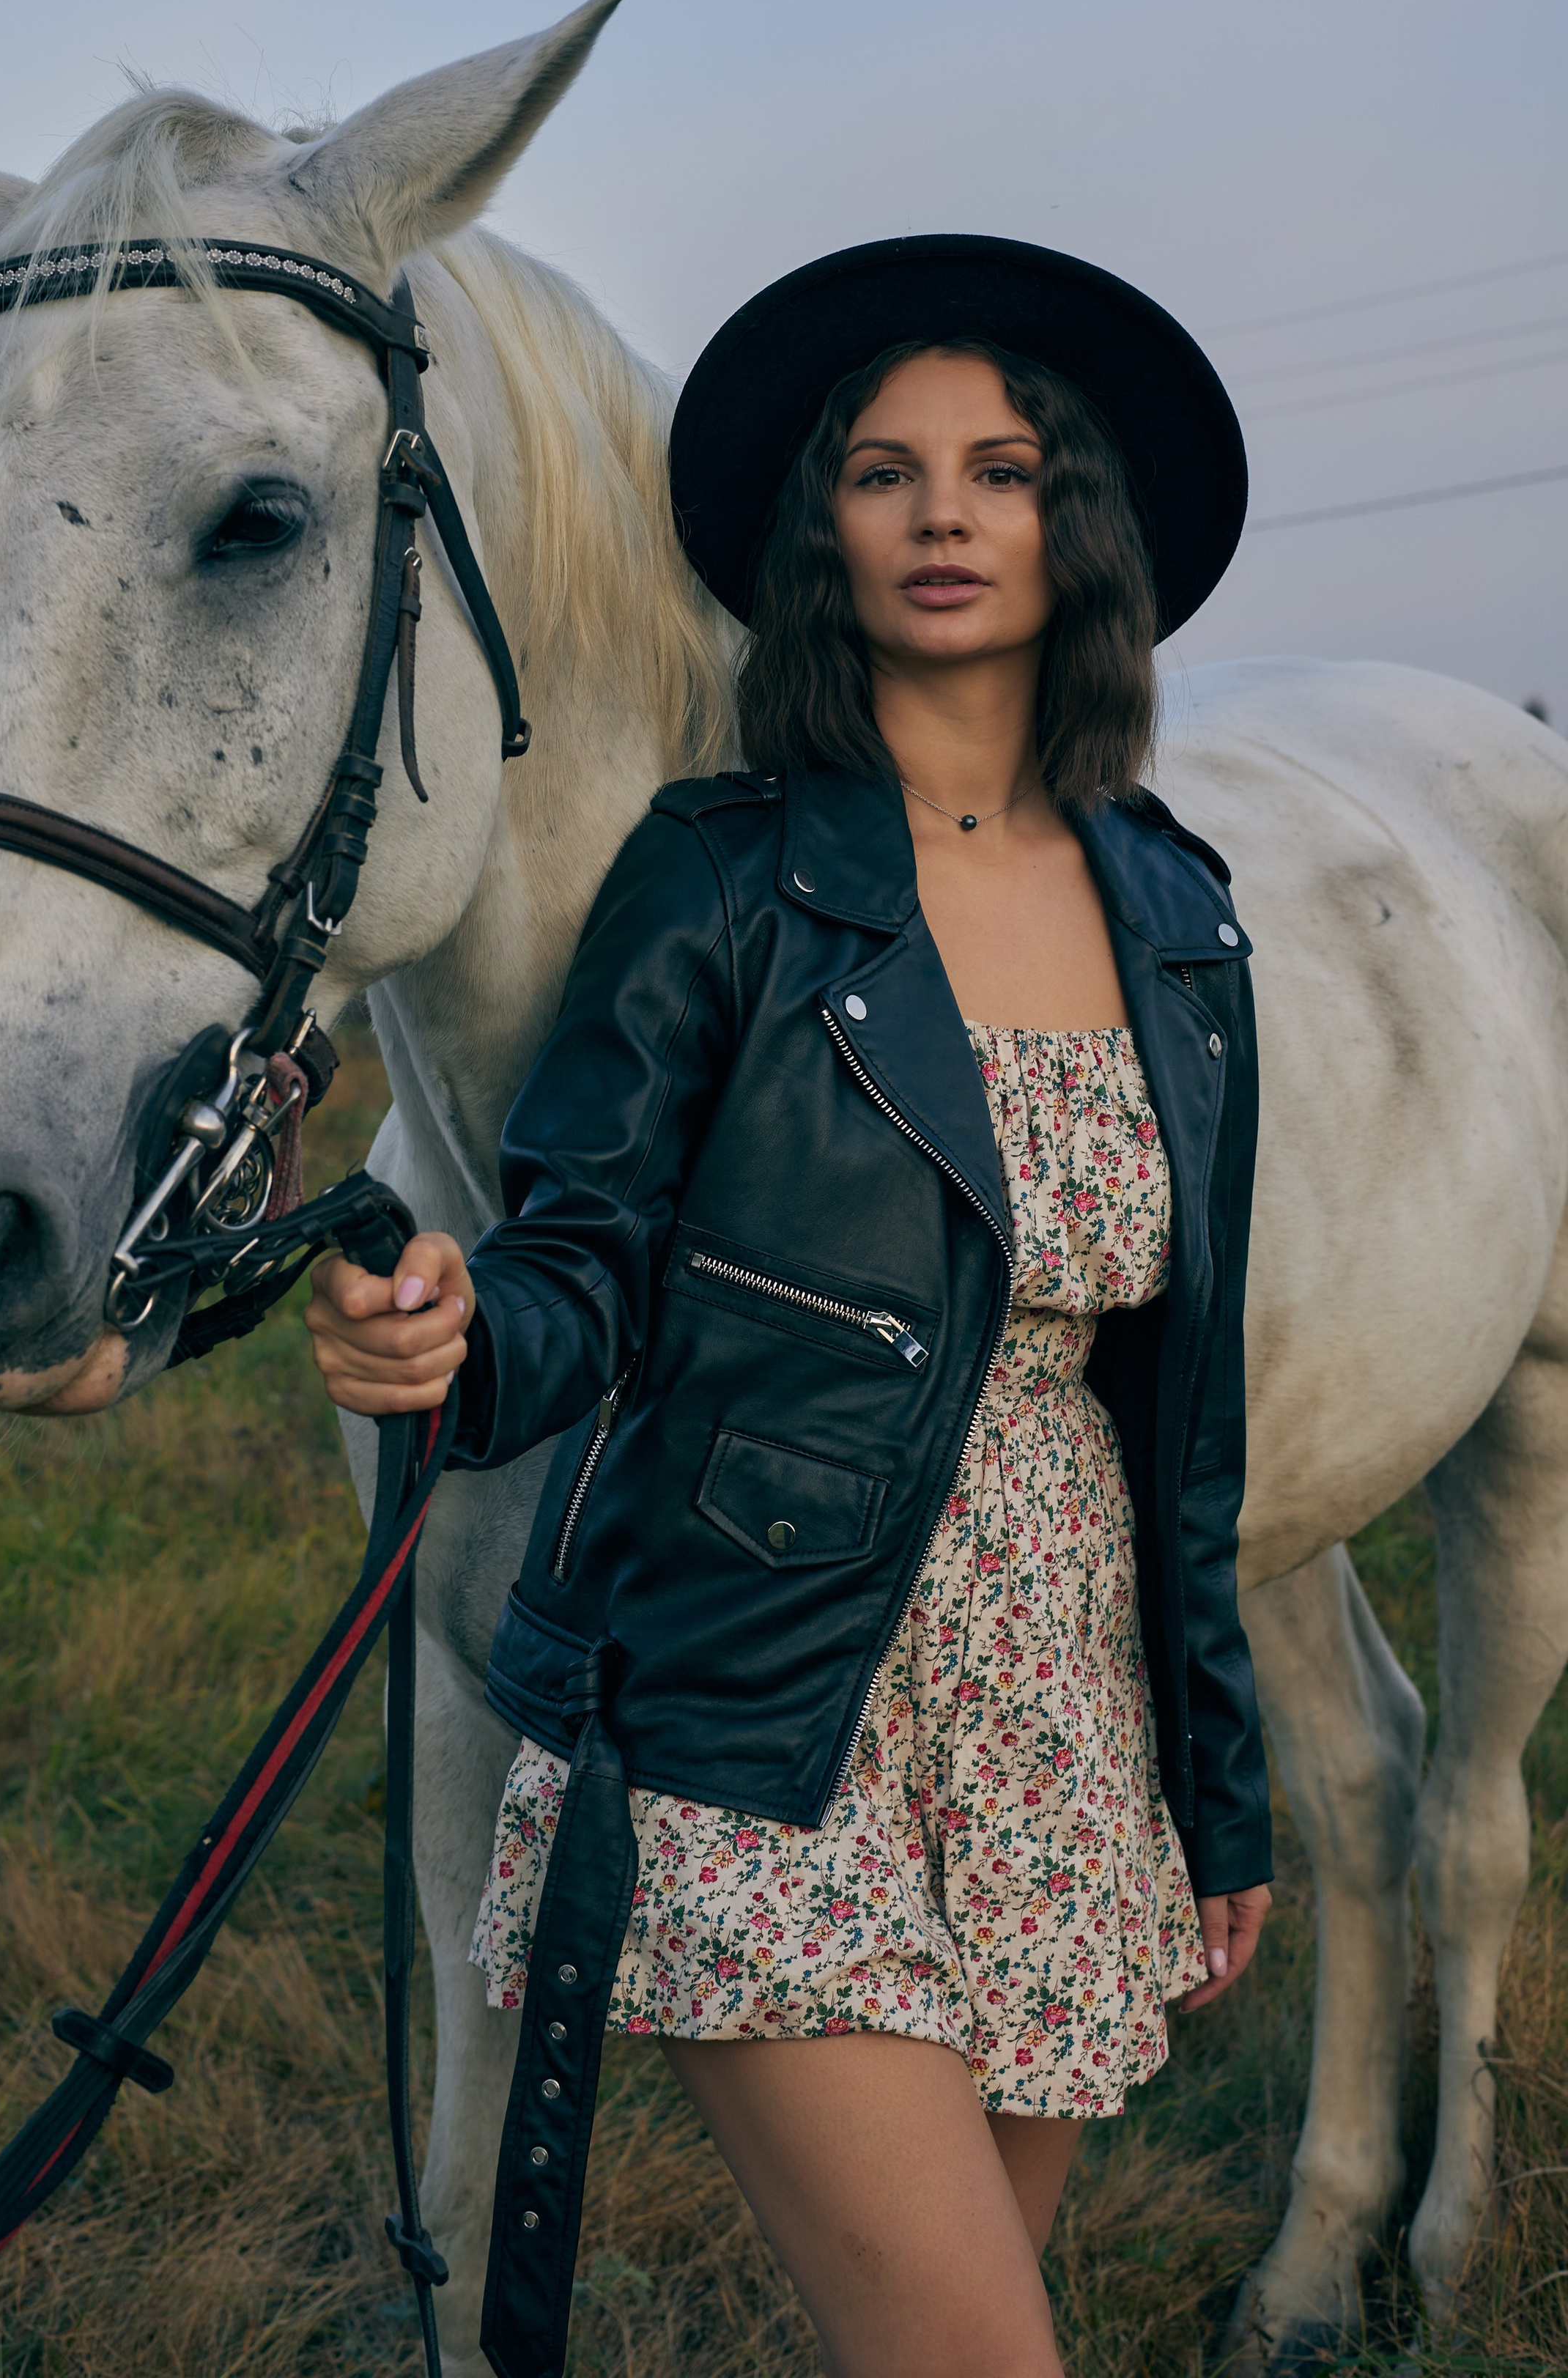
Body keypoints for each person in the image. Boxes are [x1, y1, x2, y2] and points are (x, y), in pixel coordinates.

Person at [306, 236, 1272, 2378]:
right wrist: (460, 1341)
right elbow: (586, 1257)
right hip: (756, 1696)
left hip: (1059, 1712)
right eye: (883, 471)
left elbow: (1176, 1415)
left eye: (1002, 468)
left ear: (1074, 525)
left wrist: (1217, 1788)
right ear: (814, 535)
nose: (943, 512)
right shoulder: (722, 870)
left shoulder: (1178, 917)